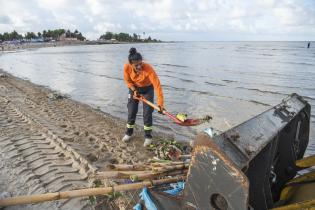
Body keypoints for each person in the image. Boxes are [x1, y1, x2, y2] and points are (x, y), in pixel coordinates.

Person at [122, 47, 165, 147]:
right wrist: (134, 90)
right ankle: (128, 133)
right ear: (131, 64)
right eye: (136, 65)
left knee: (147, 113)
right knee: (131, 111)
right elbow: (128, 81)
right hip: (134, 89)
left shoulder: (148, 68)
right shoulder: (126, 67)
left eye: (141, 63)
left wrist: (160, 104)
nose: (139, 66)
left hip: (148, 89)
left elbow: (157, 85)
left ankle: (148, 136)